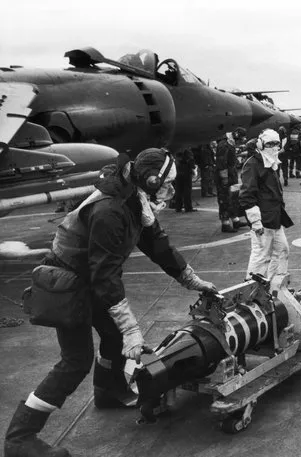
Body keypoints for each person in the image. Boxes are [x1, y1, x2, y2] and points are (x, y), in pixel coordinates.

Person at [4, 149, 219, 457]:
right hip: (69, 286)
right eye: (166, 182)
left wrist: (191, 279)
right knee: (75, 361)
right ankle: (19, 439)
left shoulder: (133, 199)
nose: (171, 189)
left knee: (114, 337)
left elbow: (158, 246)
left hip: (90, 281)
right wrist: (132, 328)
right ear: (151, 179)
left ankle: (108, 392)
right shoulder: (110, 211)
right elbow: (104, 276)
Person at [239, 129, 293, 282]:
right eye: (269, 144)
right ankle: (251, 290)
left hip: (275, 218)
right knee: (261, 256)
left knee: (282, 250)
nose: (273, 147)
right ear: (260, 145)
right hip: (263, 220)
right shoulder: (253, 164)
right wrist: (255, 221)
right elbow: (246, 195)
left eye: (276, 143)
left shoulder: (272, 163)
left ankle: (274, 286)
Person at [216, 127, 249, 232]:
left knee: (233, 199)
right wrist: (224, 179)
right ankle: (225, 224)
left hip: (232, 176)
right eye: (240, 140)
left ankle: (235, 221)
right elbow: (221, 164)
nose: (239, 142)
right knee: (224, 199)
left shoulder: (231, 143)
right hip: (225, 178)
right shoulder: (224, 145)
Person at [173, 147, 196, 212]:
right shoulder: (187, 148)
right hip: (186, 171)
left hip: (178, 171)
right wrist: (193, 167)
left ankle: (178, 207)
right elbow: (191, 160)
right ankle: (188, 207)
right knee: (187, 190)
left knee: (178, 190)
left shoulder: (176, 148)